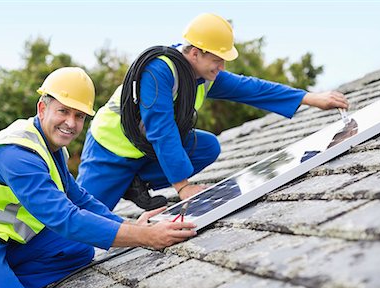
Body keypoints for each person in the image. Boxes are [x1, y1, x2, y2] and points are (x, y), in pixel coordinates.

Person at [0, 67, 196, 288]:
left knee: (78, 250)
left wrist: (128, 226)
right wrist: (147, 237)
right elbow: (65, 218)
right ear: (42, 108)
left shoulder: (51, 149)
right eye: (63, 111)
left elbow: (80, 200)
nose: (71, 123)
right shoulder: (17, 156)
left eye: (79, 116)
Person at [76, 13, 349, 211]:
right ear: (195, 52)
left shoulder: (204, 75)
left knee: (206, 146)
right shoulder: (159, 70)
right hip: (110, 152)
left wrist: (311, 98)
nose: (221, 67)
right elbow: (161, 128)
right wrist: (183, 187)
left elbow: (251, 88)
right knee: (80, 224)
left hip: (144, 152)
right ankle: (126, 182)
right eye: (217, 60)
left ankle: (135, 181)